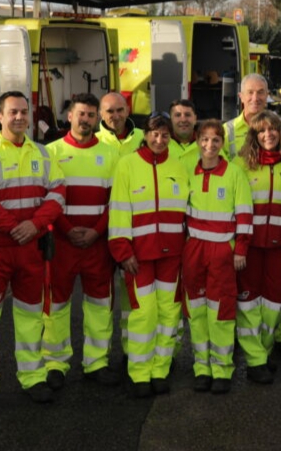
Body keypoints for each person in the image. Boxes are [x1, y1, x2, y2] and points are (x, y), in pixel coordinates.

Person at [0, 92, 65, 415]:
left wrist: (34, 225)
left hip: (31, 249)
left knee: (31, 317)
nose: (19, 117)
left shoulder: (43, 154)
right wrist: (16, 228)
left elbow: (58, 193)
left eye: (24, 111)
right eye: (13, 112)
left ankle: (33, 377)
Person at [108, 113, 190, 398]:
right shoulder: (127, 165)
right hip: (138, 257)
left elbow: (187, 212)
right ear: (145, 135)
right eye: (155, 133)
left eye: (165, 135)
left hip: (172, 256)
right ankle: (139, 373)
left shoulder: (178, 166)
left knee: (169, 314)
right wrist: (122, 250)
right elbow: (119, 208)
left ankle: (160, 370)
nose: (159, 139)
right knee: (143, 314)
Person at [43, 93, 121, 390]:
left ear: (97, 118)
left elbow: (116, 200)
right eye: (81, 114)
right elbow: (47, 197)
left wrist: (96, 232)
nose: (85, 119)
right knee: (56, 303)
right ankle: (55, 364)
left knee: (100, 304)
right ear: (69, 116)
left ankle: (96, 362)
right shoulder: (51, 152)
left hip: (96, 243)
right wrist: (66, 229)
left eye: (90, 115)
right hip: (62, 242)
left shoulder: (111, 154)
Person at [183, 119, 253, 394]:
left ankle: (222, 369)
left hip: (223, 251)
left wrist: (241, 249)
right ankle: (202, 368)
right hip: (195, 249)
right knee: (197, 311)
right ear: (197, 141)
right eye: (204, 139)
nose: (209, 145)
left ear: (223, 143)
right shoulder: (189, 171)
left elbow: (245, 214)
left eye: (215, 140)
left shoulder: (234, 173)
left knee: (221, 311)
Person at [233, 110, 281, 385]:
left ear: (280, 132)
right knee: (248, 302)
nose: (268, 135)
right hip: (250, 247)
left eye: (273, 129)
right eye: (262, 131)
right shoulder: (240, 165)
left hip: (280, 246)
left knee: (275, 302)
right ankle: (255, 360)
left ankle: (264, 351)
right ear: (254, 136)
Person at [223, 73, 271, 159]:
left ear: (267, 96)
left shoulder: (280, 129)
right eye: (250, 92)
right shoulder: (225, 131)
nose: (255, 98)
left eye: (260, 92)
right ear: (241, 96)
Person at [168, 99, 201, 172]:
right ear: (170, 120)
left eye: (187, 115)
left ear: (195, 119)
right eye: (178, 115)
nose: (183, 120)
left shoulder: (209, 145)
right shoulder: (161, 146)